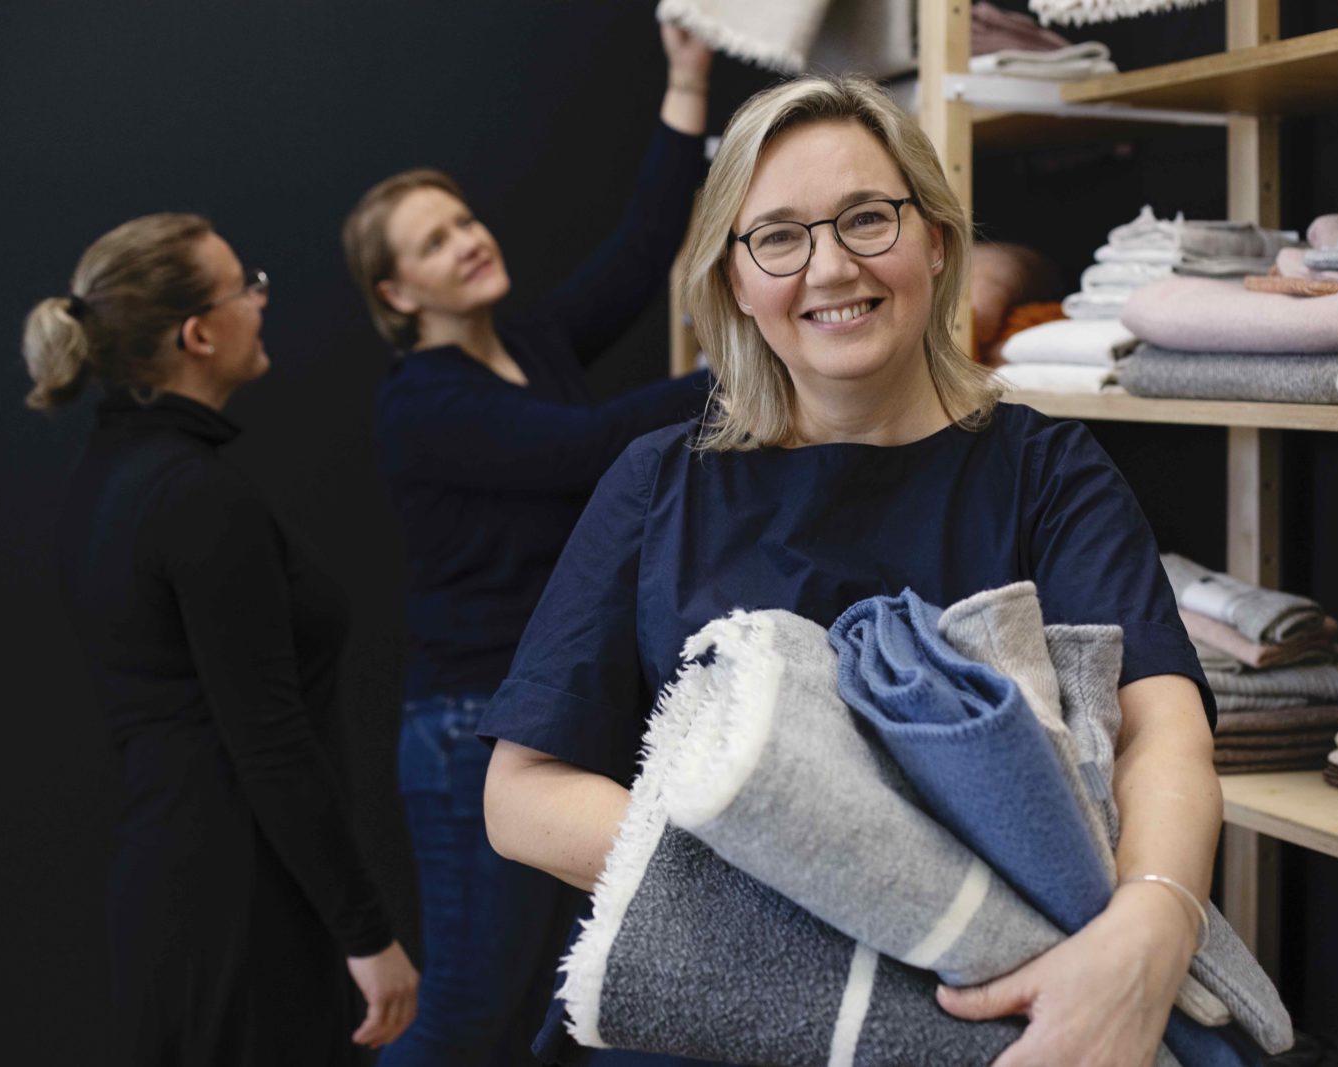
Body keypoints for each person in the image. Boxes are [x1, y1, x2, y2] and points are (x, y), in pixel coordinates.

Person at [478, 74, 1224, 1067]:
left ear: (936, 241)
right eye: (778, 236)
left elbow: (1163, 731)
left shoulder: (1043, 471)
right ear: (734, 282)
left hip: (984, 1013)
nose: (829, 266)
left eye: (866, 219)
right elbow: (521, 795)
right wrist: (842, 874)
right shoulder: (660, 483)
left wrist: (1154, 922)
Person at [341, 23, 714, 1067]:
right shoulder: (423, 403)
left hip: (544, 711)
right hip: (470, 732)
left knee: (573, 1000)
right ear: (398, 294)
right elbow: (590, 445)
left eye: (462, 217)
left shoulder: (531, 344)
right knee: (469, 1011)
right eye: (432, 242)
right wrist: (766, 359)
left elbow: (645, 252)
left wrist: (685, 78)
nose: (467, 238)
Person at [23, 213, 418, 1065]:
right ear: (197, 333)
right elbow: (267, 741)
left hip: (169, 889)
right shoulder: (197, 498)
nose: (262, 301)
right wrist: (367, 933)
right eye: (248, 287)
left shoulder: (105, 481)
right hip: (243, 903)